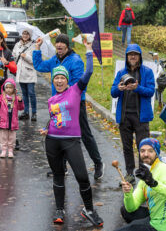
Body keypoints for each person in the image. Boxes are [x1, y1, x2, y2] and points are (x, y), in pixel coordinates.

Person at [40, 39, 103, 227]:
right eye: (56, 78)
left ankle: (89, 209)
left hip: (71, 141)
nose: (59, 81)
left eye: (62, 78)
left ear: (67, 80)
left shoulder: (76, 90)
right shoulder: (52, 99)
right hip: (52, 141)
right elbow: (55, 118)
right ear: (53, 80)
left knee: (82, 176)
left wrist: (89, 50)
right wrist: (46, 128)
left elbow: (89, 71)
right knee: (58, 176)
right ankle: (60, 209)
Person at [34, 33, 104, 179]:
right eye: (57, 43)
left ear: (67, 46)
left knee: (85, 134)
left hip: (75, 103)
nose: (59, 45)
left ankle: (98, 163)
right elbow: (39, 65)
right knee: (59, 132)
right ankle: (61, 167)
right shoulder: (54, 60)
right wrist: (37, 48)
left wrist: (66, 94)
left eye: (62, 43)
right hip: (57, 104)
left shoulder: (75, 60)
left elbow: (80, 85)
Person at [111, 44, 155, 185]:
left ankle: (143, 173)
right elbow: (113, 92)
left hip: (141, 117)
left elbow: (150, 92)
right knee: (127, 146)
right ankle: (130, 173)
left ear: (140, 56)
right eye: (130, 54)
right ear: (127, 57)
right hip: (124, 116)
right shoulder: (121, 73)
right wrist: (118, 88)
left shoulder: (147, 72)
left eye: (135, 54)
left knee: (143, 147)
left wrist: (137, 88)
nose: (133, 57)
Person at [118, 138, 166, 231]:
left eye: (150, 151)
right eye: (142, 151)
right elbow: (131, 208)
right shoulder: (146, 174)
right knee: (125, 210)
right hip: (155, 215)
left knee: (130, 227)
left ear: (156, 153)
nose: (146, 154)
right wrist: (128, 193)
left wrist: (153, 183)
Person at [0, 78, 24, 158]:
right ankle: (3, 150)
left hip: (13, 122)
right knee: (3, 137)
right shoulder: (1, 97)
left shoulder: (16, 98)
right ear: (4, 88)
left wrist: (20, 101)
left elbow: (21, 108)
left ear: (14, 88)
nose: (9, 89)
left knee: (12, 138)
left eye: (10, 88)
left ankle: (10, 151)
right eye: (7, 88)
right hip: (3, 121)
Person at [12, 28, 37, 121]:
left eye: (27, 34)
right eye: (23, 33)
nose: (25, 35)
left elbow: (35, 61)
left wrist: (25, 56)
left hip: (29, 73)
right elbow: (13, 56)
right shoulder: (17, 45)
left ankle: (34, 113)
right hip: (21, 73)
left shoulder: (33, 45)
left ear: (30, 35)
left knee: (31, 93)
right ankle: (26, 112)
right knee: (24, 94)